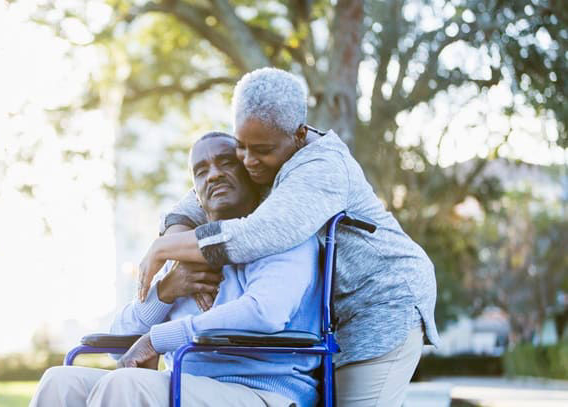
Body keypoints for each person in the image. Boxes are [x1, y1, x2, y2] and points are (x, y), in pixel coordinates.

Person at [138, 68, 441, 407]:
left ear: (298, 134)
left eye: (261, 150)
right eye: (241, 147)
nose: (249, 161)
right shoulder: (266, 157)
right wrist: (175, 242)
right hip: (334, 315)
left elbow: (257, 235)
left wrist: (165, 248)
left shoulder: (320, 168)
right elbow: (194, 201)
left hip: (382, 301)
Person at [30, 132, 323, 407]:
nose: (214, 174)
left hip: (263, 390)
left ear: (252, 174)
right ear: (196, 195)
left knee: (126, 385)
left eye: (226, 163)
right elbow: (116, 345)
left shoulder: (283, 233)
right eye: (201, 171)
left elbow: (264, 312)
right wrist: (166, 290)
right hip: (186, 383)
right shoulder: (183, 248)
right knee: (60, 381)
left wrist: (158, 338)